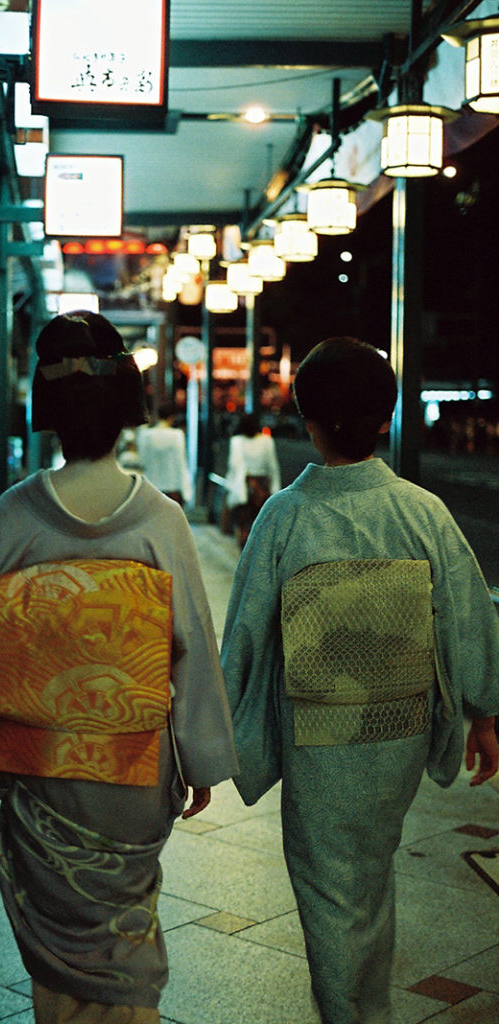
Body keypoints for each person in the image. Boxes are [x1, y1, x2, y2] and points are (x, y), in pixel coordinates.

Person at [0, 310, 238, 1024]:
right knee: (124, 920)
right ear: (124, 413)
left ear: (47, 414)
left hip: (41, 763)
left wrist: (24, 680)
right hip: (135, 771)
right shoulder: (160, 519)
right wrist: (199, 760)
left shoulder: (17, 515)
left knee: (55, 941)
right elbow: (194, 648)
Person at [221, 336, 499, 1024]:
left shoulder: (284, 516)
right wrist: (483, 714)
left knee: (326, 887)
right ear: (385, 420)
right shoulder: (421, 512)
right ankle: (365, 1005)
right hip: (398, 729)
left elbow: (245, 639)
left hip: (316, 733)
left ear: (305, 419)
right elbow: (465, 616)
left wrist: (208, 737)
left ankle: (352, 1013)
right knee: (370, 869)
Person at [224, 412, 281, 547]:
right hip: (262, 489)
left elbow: (234, 466)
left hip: (243, 487)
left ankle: (243, 554)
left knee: (242, 524)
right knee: (260, 527)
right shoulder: (267, 441)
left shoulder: (237, 441)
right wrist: (275, 490)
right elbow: (273, 467)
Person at [136, 401, 192, 505]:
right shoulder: (176, 435)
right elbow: (180, 462)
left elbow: (142, 461)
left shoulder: (145, 435)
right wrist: (186, 489)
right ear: (172, 417)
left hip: (151, 485)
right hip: (172, 486)